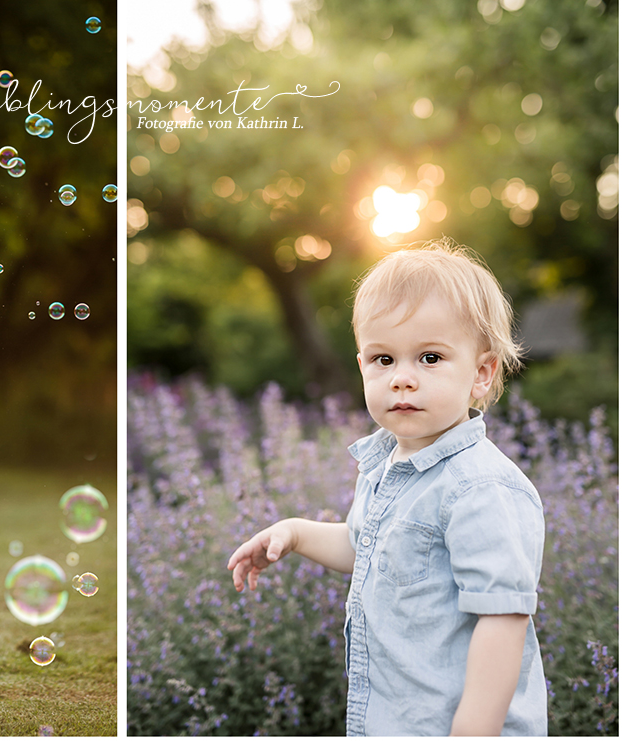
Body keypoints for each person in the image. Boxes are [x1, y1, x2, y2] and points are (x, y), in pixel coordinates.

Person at [226, 241, 546, 735]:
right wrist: (294, 533)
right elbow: (369, 548)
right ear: (361, 367)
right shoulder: (385, 464)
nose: (402, 379)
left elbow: (503, 621)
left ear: (481, 373)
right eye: (383, 359)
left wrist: (471, 732)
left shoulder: (480, 488)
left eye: (430, 357)